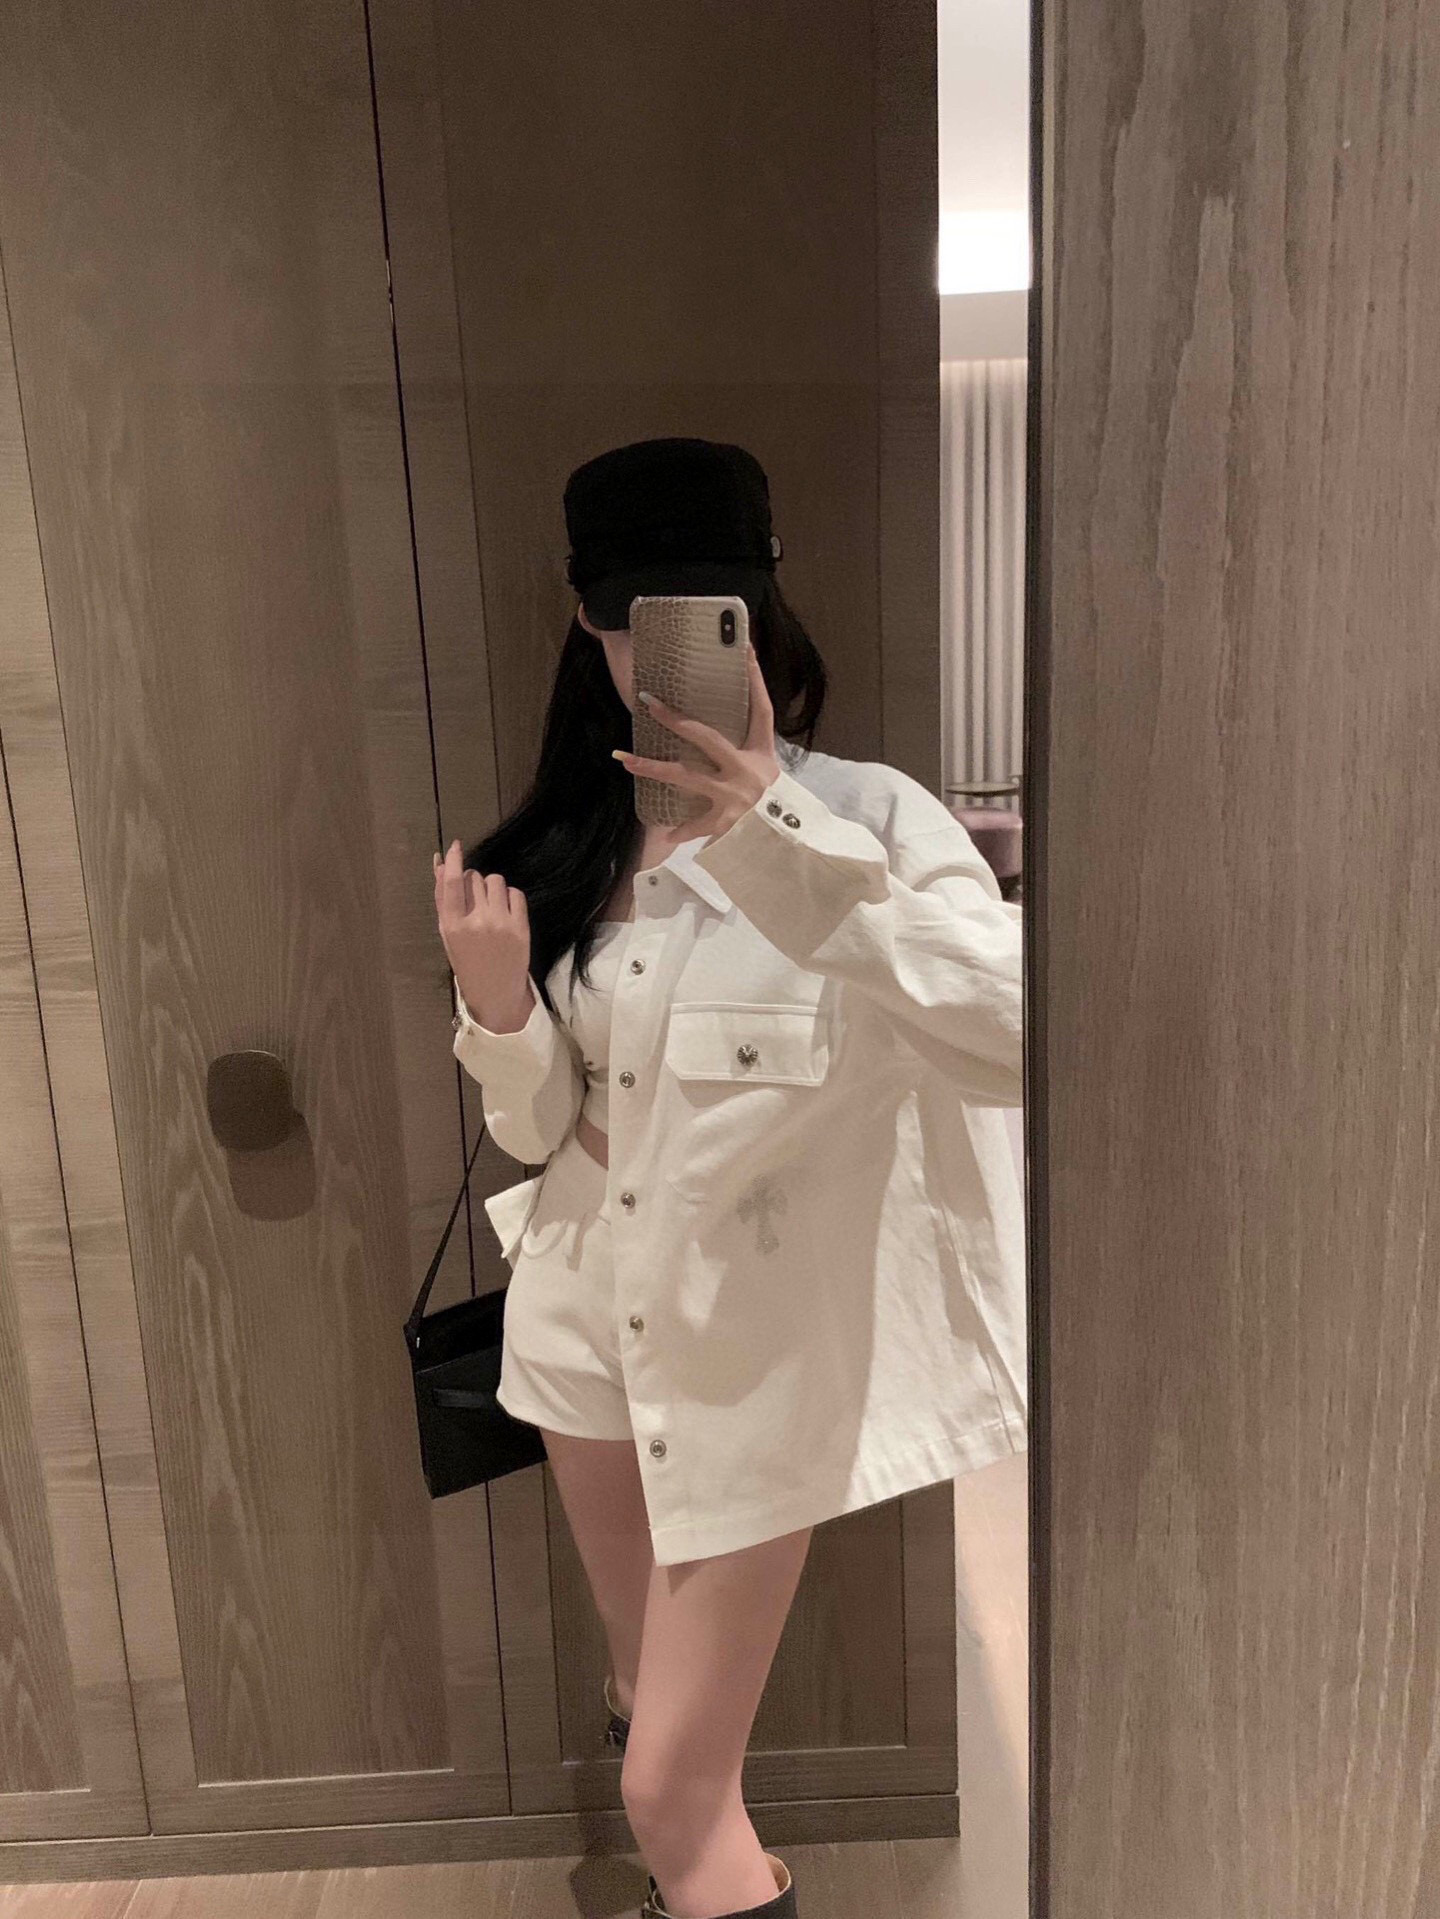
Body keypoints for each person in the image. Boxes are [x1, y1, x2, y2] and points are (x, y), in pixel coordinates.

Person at [432, 438, 1026, 1919]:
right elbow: (542, 1134)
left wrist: (774, 835)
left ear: (757, 611)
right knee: (651, 1703)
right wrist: (498, 1006)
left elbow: (1022, 1036)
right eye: (629, 617)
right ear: (586, 621)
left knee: (669, 1788)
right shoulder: (579, 842)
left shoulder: (870, 822)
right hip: (576, 1333)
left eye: (701, 613)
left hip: (750, 1365)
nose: (662, 651)